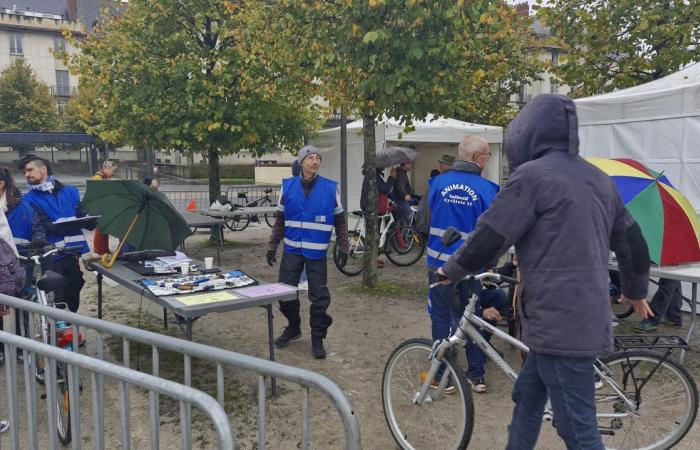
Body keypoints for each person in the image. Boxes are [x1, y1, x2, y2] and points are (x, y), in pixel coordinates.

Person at [437, 94, 652, 449]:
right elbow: (633, 241)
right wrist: (636, 289)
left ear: (527, 134)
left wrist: (452, 269)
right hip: (578, 319)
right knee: (528, 396)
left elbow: (493, 234)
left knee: (578, 430)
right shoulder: (599, 179)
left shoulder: (531, 177)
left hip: (557, 324)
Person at [425, 135, 500, 393]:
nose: (487, 160)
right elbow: (492, 233)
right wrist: (490, 264)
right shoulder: (489, 189)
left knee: (441, 317)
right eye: (487, 156)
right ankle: (476, 375)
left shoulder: (436, 183)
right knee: (473, 317)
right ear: (477, 158)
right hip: (471, 267)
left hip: (439, 262)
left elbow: (426, 221)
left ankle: (440, 376)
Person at [266, 145, 350, 359]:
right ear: (301, 162)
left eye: (318, 158)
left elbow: (340, 220)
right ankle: (294, 327)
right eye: (311, 158)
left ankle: (317, 338)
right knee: (284, 293)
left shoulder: (331, 188)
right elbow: (280, 220)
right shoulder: (288, 186)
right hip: (292, 249)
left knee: (320, 298)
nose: (315, 161)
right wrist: (272, 245)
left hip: (317, 253)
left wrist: (343, 245)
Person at [18, 155, 92, 313]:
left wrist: (88, 219)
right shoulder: (28, 199)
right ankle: (57, 335)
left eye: (30, 170)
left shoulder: (71, 191)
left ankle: (70, 332)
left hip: (72, 253)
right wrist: (76, 221)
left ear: (43, 169)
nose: (26, 174)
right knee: (57, 300)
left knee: (73, 294)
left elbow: (79, 212)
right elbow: (46, 226)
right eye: (25, 171)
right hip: (50, 257)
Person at [90, 161, 119, 255]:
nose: (114, 173)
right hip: (100, 206)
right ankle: (100, 249)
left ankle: (103, 248)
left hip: (103, 206)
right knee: (102, 228)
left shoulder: (103, 178)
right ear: (106, 168)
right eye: (113, 171)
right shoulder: (98, 178)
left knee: (104, 228)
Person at [393, 160, 414, 225]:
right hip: (402, 201)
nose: (411, 166)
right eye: (409, 164)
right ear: (405, 164)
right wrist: (405, 194)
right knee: (407, 220)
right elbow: (400, 185)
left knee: (403, 220)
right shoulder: (401, 173)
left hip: (400, 201)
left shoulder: (402, 173)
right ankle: (405, 234)